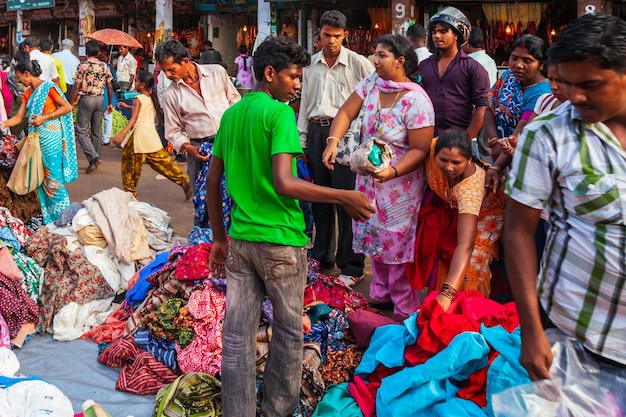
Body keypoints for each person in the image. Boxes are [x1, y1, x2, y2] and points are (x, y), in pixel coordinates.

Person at [207, 35, 374, 417]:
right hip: (280, 243)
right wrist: (343, 197)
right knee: (287, 335)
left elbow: (213, 180)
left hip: (241, 242)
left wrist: (219, 239)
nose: (298, 84)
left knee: (236, 338)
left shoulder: (232, 114)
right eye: (294, 77)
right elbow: (285, 182)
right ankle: (277, 412)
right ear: (270, 74)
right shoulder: (278, 114)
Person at [504, 13, 626, 381]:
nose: (575, 97)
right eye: (568, 83)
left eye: (590, 84)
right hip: (577, 331)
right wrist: (531, 330)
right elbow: (518, 232)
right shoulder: (547, 135)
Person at [323, 34, 434, 319]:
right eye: (375, 53)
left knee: (396, 244)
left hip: (400, 185)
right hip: (369, 181)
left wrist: (392, 171)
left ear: (401, 61)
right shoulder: (371, 83)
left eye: (382, 55)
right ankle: (381, 295)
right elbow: (347, 112)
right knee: (373, 238)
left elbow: (420, 148)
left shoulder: (417, 101)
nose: (375, 60)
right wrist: (333, 141)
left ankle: (403, 305)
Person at [296, 10, 375, 288]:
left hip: (348, 135)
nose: (331, 41)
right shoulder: (310, 65)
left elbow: (372, 95)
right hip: (317, 131)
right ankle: (321, 257)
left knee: (345, 200)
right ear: (319, 34)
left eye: (337, 36)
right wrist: (302, 140)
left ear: (345, 35)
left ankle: (351, 265)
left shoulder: (359, 63)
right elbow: (305, 103)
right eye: (327, 35)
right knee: (320, 198)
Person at [406, 128, 505, 308]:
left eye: (456, 162)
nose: (449, 168)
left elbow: (465, 245)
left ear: (468, 159)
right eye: (443, 160)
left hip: (485, 217)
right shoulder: (432, 146)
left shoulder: (471, 189)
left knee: (474, 264)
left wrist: (447, 294)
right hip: (454, 209)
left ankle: (471, 313)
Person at [154, 39, 240, 199]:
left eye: (171, 70)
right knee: (203, 204)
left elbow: (235, 102)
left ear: (185, 61)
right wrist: (188, 147)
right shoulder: (170, 95)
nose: (167, 75)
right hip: (198, 150)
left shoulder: (217, 73)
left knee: (234, 197)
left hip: (229, 144)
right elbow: (172, 132)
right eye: (164, 71)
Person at [0, 59, 77, 224]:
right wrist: (3, 124)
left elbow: (66, 107)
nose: (19, 81)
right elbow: (19, 117)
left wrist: (44, 118)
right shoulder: (29, 92)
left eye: (20, 77)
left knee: (53, 179)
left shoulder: (48, 87)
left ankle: (65, 218)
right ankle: (52, 219)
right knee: (43, 179)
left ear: (27, 74)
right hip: (37, 139)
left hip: (50, 138)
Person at [484, 34, 550, 192]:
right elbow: (489, 109)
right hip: (500, 153)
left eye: (527, 61)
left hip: (525, 163)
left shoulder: (543, 93)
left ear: (541, 64)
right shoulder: (507, 77)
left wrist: (497, 166)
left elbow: (520, 134)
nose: (519, 65)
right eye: (514, 58)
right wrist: (494, 142)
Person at [111, 70, 191, 200]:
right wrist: (127, 106)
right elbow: (142, 111)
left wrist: (121, 134)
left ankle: (131, 193)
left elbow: (134, 118)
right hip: (151, 136)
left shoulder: (139, 98)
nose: (135, 83)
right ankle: (183, 180)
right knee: (162, 163)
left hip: (138, 137)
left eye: (136, 81)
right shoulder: (151, 98)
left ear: (142, 85)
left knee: (129, 167)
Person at [419, 6, 490, 138]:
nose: (437, 36)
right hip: (426, 140)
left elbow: (482, 107)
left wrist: (466, 140)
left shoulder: (473, 68)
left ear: (457, 34)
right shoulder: (424, 66)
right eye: (434, 32)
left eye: (443, 31)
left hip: (459, 139)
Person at [70, 40, 114, 174]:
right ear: (98, 52)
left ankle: (93, 157)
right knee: (96, 131)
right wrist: (110, 103)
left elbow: (77, 85)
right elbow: (110, 86)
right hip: (100, 99)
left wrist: (71, 102)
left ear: (86, 52)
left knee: (81, 130)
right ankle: (95, 157)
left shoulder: (83, 66)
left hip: (87, 99)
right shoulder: (104, 66)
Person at [98, 47, 118, 146]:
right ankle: (106, 138)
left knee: (97, 118)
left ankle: (97, 136)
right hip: (108, 95)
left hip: (97, 96)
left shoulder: (95, 66)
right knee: (108, 118)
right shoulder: (108, 67)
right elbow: (115, 80)